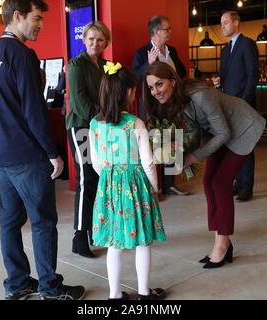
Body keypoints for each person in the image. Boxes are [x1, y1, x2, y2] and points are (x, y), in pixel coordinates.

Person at [0, 0, 85, 300]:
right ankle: (50, 289)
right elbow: (33, 109)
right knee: (42, 222)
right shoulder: (22, 54)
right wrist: (52, 151)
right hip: (26, 154)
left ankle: (17, 284)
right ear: (17, 16)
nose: (40, 25)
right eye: (36, 19)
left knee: (10, 223)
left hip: (0, 156)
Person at [143, 61, 265, 269]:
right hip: (218, 133)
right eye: (151, 87)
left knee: (220, 183)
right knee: (209, 181)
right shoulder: (173, 100)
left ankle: (222, 244)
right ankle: (223, 240)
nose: (155, 91)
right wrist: (172, 146)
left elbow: (224, 133)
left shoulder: (200, 95)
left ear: (173, 82)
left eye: (159, 84)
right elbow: (191, 131)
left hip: (242, 128)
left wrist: (192, 157)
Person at [89, 62, 166, 300]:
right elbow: (148, 163)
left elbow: (96, 163)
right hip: (136, 188)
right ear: (126, 93)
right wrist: (155, 187)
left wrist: (110, 180)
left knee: (114, 243)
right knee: (143, 241)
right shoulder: (136, 124)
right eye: (133, 90)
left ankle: (115, 295)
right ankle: (143, 293)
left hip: (109, 188)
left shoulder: (94, 124)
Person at [66, 21, 111, 258]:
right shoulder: (75, 65)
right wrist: (106, 115)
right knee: (85, 180)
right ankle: (79, 236)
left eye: (100, 39)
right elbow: (80, 104)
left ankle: (94, 230)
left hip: (101, 128)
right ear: (84, 40)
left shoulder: (106, 66)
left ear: (106, 43)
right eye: (91, 38)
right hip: (81, 128)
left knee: (97, 179)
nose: (95, 43)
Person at [132, 14, 189, 197]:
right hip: (153, 105)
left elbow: (182, 72)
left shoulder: (172, 50)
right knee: (155, 142)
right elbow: (135, 78)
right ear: (156, 31)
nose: (170, 32)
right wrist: (148, 64)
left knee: (174, 139)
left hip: (173, 105)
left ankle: (170, 183)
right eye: (167, 29)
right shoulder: (142, 53)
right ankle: (154, 187)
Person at [213, 11, 259, 201]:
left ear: (236, 22)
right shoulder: (225, 50)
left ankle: (246, 187)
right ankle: (238, 183)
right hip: (228, 104)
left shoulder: (247, 44)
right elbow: (224, 76)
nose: (222, 26)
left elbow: (252, 75)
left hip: (243, 104)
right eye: (221, 23)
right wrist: (218, 81)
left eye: (225, 23)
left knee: (246, 146)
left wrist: (243, 101)